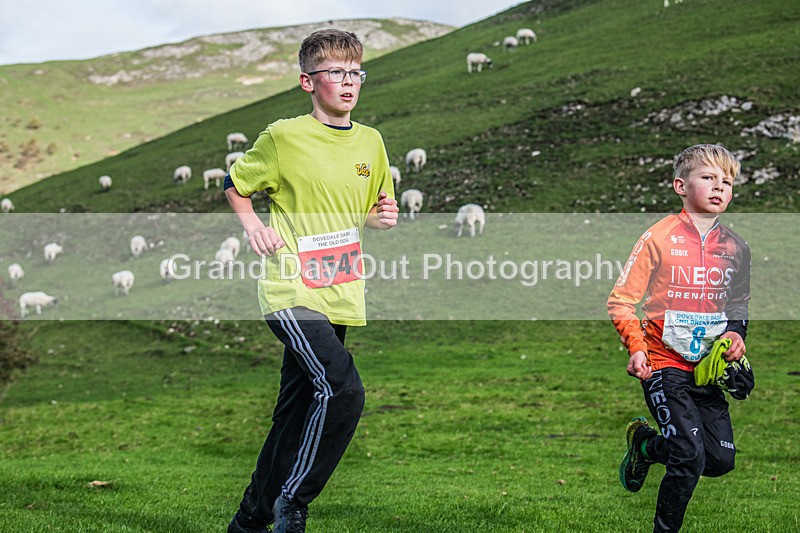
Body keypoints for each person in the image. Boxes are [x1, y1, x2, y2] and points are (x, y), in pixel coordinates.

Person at [224, 29, 398, 533]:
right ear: (308, 81)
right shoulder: (283, 137)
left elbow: (371, 209)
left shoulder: (372, 142)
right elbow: (237, 186)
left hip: (339, 290)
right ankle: (293, 502)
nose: (349, 83)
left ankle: (249, 521)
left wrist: (381, 217)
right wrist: (254, 226)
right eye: (336, 73)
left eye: (355, 73)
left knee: (294, 414)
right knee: (343, 388)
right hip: (290, 289)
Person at [607, 144, 751, 532]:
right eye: (708, 177)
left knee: (718, 462)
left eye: (727, 181)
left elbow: (739, 303)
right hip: (662, 365)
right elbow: (621, 301)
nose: (719, 186)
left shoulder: (737, 247)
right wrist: (637, 348)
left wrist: (737, 336)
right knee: (688, 459)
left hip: (706, 372)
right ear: (680, 185)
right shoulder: (657, 237)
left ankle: (645, 447)